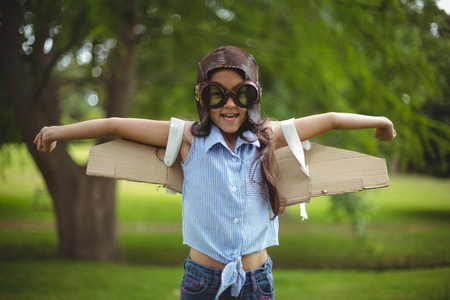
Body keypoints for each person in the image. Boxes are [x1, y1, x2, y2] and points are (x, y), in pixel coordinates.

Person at [34, 46, 396, 300]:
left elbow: (331, 119)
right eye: (216, 94)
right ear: (201, 98)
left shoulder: (269, 137)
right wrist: (55, 132)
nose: (228, 104)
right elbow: (116, 123)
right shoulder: (188, 140)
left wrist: (382, 122)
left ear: (254, 99)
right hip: (202, 280)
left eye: (241, 94)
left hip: (257, 281)